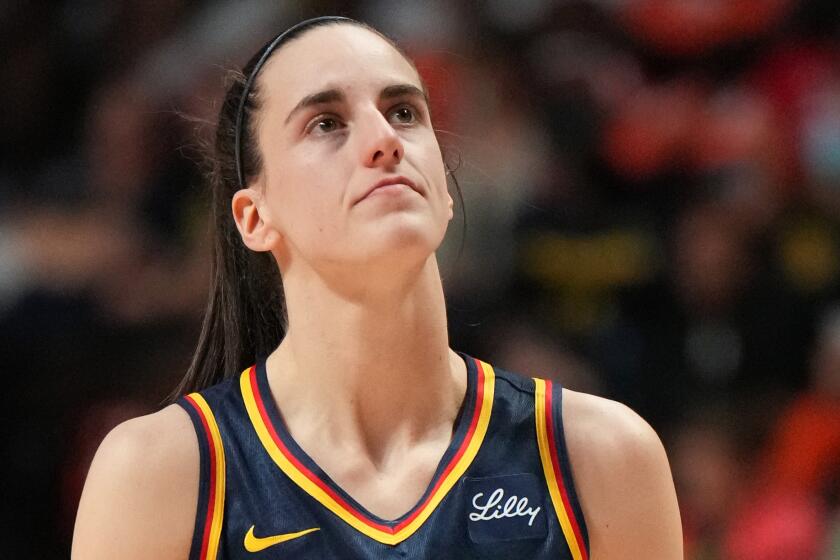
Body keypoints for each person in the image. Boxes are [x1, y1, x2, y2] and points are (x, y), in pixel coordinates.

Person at [72, 16, 682, 559]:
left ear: (444, 191)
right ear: (254, 218)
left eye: (404, 112)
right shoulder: (160, 475)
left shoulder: (599, 456)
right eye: (326, 123)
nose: (384, 139)